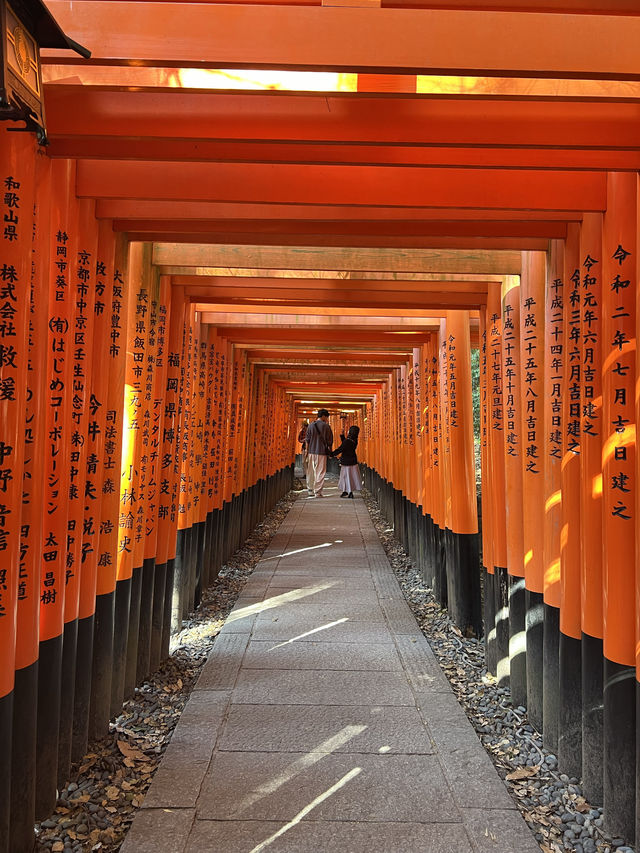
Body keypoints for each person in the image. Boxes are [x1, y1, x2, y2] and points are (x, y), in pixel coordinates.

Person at [305, 408, 333, 497]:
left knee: (310, 471)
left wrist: (307, 450)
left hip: (311, 451)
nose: (327, 419)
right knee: (320, 472)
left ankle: (310, 489)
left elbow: (307, 440)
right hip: (322, 452)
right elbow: (330, 441)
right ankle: (317, 491)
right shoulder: (326, 426)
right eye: (327, 417)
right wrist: (330, 453)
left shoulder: (310, 425)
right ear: (324, 416)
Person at [330, 425, 362, 499]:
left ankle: (349, 491)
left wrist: (331, 454)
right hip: (353, 461)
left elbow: (341, 449)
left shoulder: (347, 441)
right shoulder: (354, 440)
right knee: (351, 477)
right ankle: (346, 490)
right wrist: (342, 436)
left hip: (346, 462)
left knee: (346, 477)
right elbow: (345, 444)